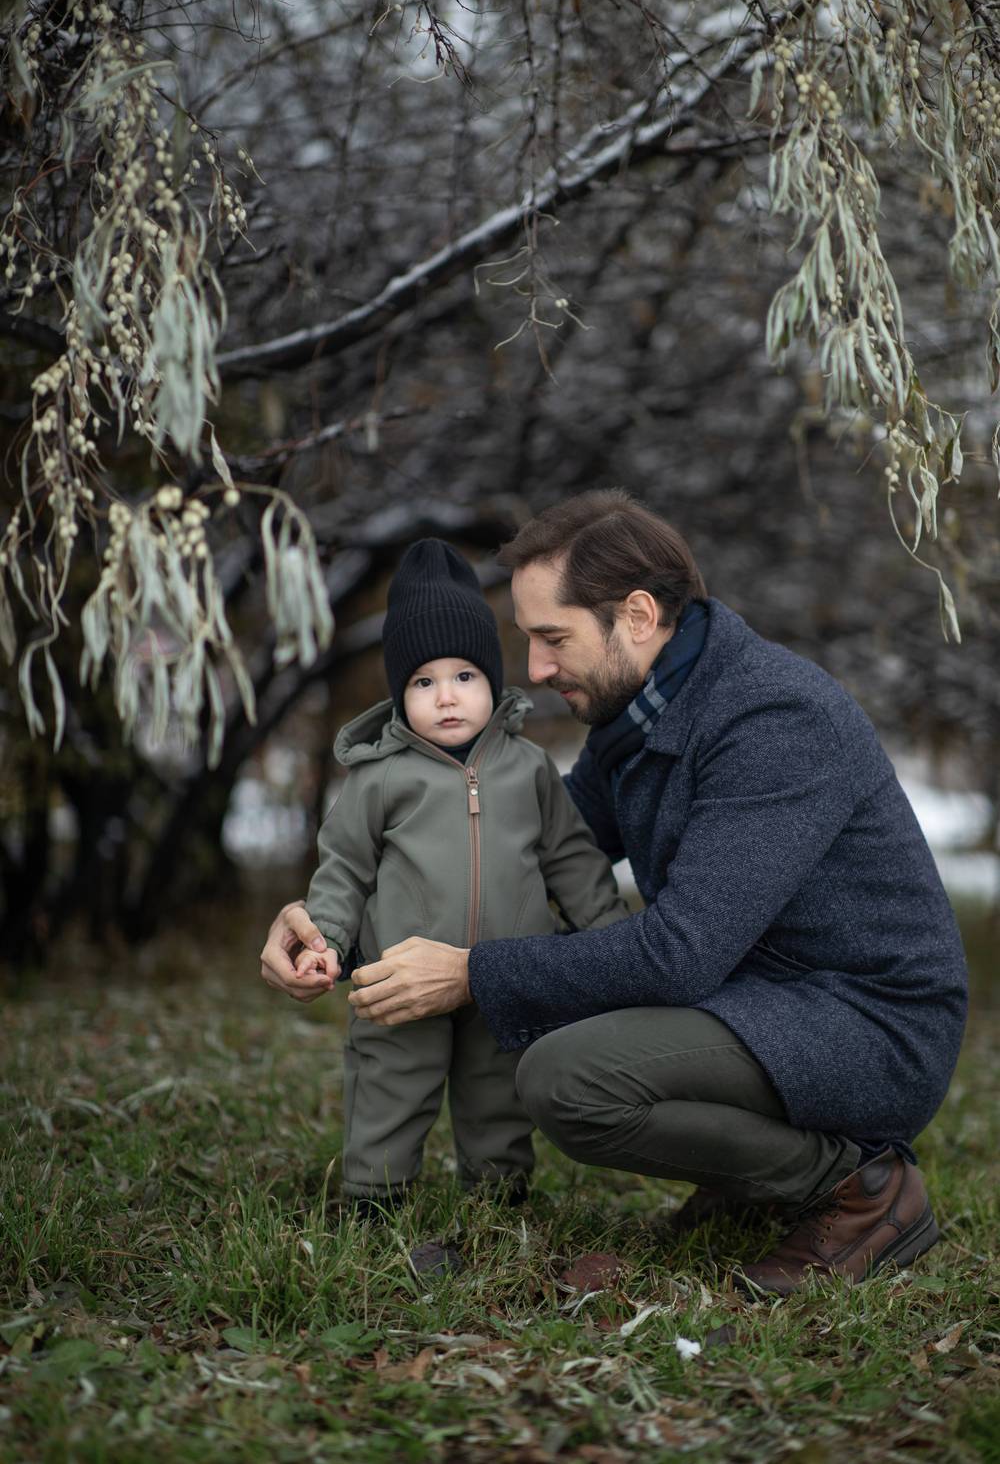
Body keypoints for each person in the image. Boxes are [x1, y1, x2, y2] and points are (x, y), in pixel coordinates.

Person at [262, 493, 968, 1296]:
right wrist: (322, 923)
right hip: (765, 997)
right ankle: (756, 1179)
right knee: (563, 1010)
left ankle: (860, 1190)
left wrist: (470, 973)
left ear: (636, 615)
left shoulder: (774, 717)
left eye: (553, 637)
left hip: (867, 1025)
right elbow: (523, 842)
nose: (534, 668)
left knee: (566, 1078)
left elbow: (678, 954)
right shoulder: (641, 716)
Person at [288, 537, 628, 1216]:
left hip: (507, 970)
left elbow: (571, 859)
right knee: (391, 1079)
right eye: (423, 682)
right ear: (399, 691)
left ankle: (499, 1195)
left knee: (499, 1086)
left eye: (465, 676)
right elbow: (343, 868)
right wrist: (324, 940)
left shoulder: (528, 769)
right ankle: (374, 1195)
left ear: (492, 679)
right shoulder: (380, 777)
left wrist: (609, 933)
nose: (447, 697)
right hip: (400, 975)